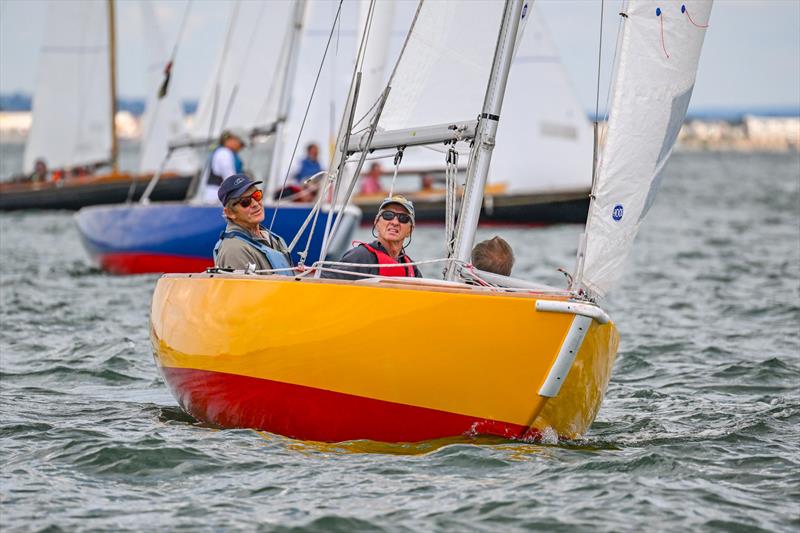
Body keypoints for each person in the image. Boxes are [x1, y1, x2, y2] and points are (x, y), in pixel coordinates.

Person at [321, 196, 422, 280]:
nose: (395, 222)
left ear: (410, 230)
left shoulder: (411, 269)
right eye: (388, 215)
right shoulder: (361, 257)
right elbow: (323, 282)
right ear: (377, 222)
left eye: (403, 218)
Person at [213, 174, 293, 275]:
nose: (255, 204)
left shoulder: (271, 238)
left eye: (257, 195)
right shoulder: (234, 250)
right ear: (230, 213)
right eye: (245, 202)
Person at [206, 129, 247, 203]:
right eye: (240, 144)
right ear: (231, 140)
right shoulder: (224, 153)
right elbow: (230, 179)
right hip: (218, 198)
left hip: (215, 196)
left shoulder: (221, 152)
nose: (240, 148)